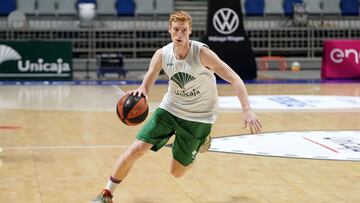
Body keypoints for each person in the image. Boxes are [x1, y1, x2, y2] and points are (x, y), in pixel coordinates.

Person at [92, 10, 262, 203]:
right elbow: (149, 78)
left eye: (183, 30)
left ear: (190, 31)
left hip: (199, 117)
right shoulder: (162, 55)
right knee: (136, 149)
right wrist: (143, 91)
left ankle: (201, 142)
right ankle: (106, 194)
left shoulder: (202, 54)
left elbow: (235, 79)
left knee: (177, 172)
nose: (179, 34)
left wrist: (247, 110)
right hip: (170, 109)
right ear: (169, 30)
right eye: (176, 30)